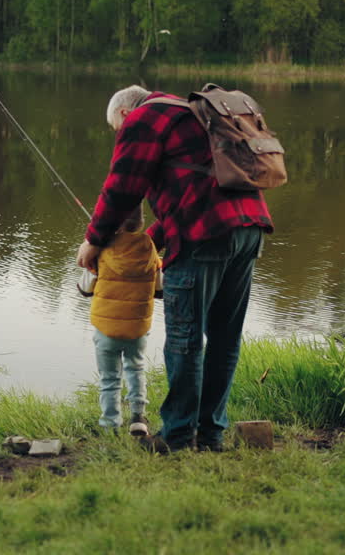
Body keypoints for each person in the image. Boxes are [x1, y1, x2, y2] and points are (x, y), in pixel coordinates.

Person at [76, 85, 273, 452]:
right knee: (224, 338)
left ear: (123, 115)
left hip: (204, 237)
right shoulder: (190, 113)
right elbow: (196, 190)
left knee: (185, 338)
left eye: (117, 131)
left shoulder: (144, 119)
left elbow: (123, 187)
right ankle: (211, 434)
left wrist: (94, 239)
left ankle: (178, 437)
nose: (121, 135)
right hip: (249, 229)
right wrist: (148, 242)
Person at [77, 206, 161, 436]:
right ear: (141, 223)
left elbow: (85, 289)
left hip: (106, 330)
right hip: (137, 327)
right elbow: (160, 288)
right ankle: (138, 418)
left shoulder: (102, 249)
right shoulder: (150, 247)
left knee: (110, 378)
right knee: (136, 368)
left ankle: (110, 423)